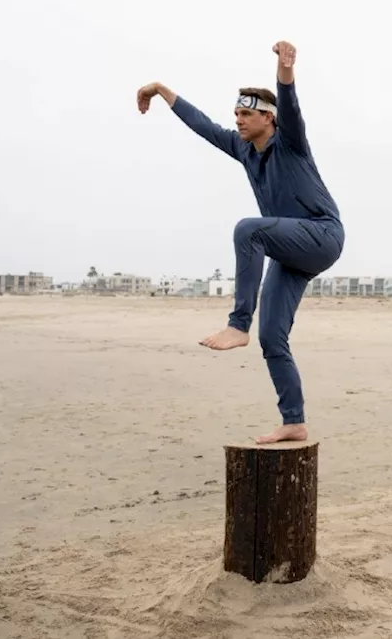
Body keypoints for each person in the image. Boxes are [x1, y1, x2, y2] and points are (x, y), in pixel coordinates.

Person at [136, 41, 344, 444]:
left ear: (268, 118)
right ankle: (293, 420)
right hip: (291, 251)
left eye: (246, 114)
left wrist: (285, 71)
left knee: (248, 228)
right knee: (272, 337)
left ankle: (237, 324)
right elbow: (203, 125)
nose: (238, 121)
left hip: (322, 234)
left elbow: (290, 102)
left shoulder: (291, 143)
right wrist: (162, 91)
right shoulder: (243, 149)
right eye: (236, 114)